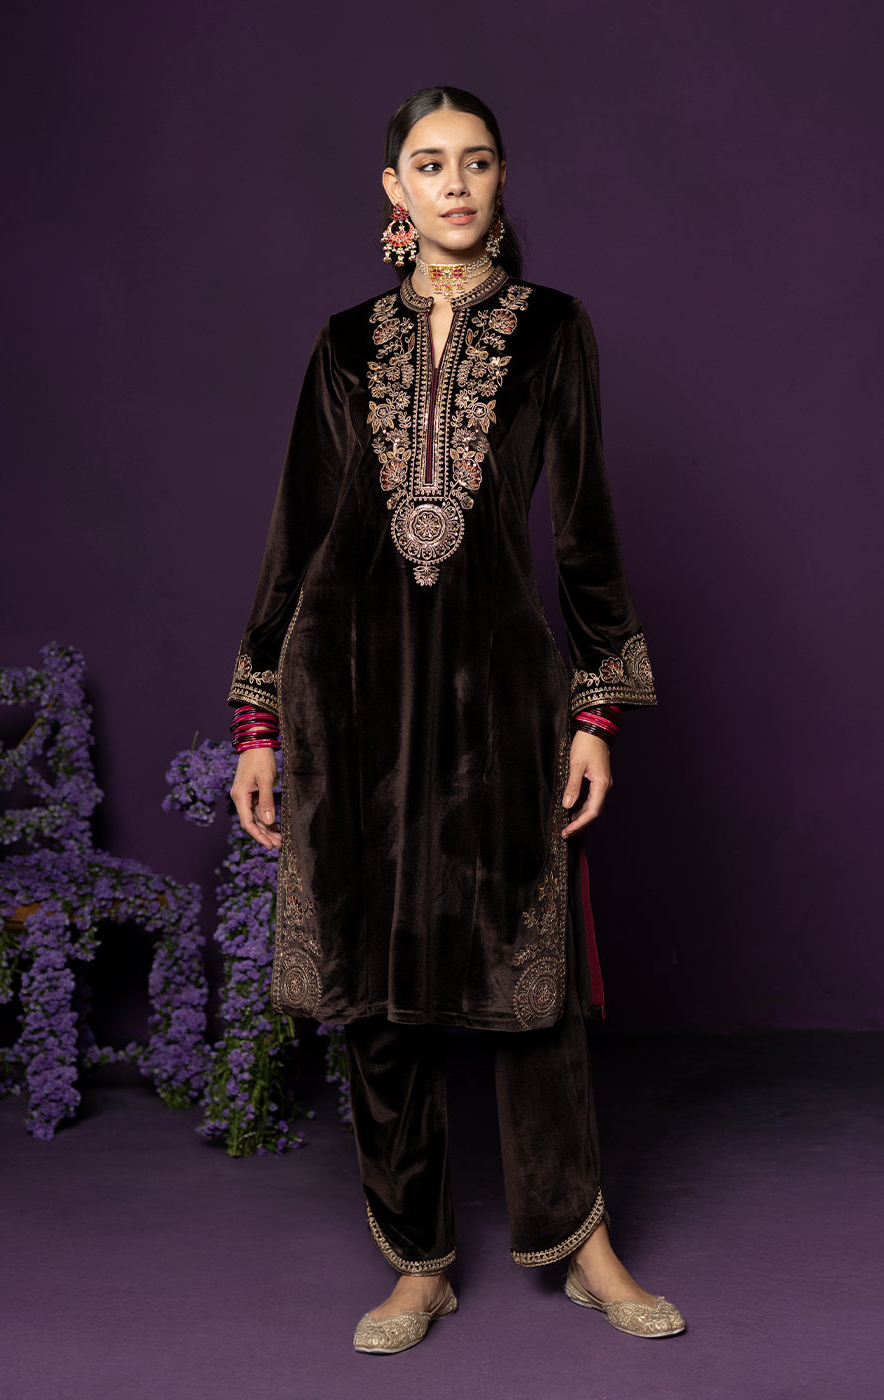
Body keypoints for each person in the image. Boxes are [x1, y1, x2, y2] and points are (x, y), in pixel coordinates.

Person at [227, 85, 685, 1353]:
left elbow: (584, 531)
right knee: (378, 988)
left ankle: (583, 1241)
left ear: (500, 179)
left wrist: (594, 709)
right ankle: (417, 1258)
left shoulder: (552, 331)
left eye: (476, 162)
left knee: (528, 976)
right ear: (394, 189)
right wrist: (259, 723)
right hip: (351, 688)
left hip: (497, 688)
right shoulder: (344, 341)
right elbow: (297, 533)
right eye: (430, 165)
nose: (456, 184)